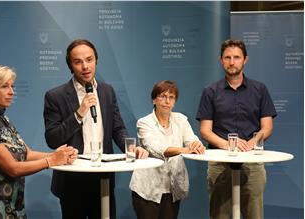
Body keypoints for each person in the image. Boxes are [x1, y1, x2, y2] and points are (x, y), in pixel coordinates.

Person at [43, 39, 148, 219]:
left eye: (89, 59)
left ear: (96, 61)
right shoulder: (55, 96)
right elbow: (53, 139)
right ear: (70, 66)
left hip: (102, 176)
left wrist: (130, 147)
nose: (85, 66)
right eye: (78, 62)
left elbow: (117, 127)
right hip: (72, 177)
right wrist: (79, 113)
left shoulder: (107, 91)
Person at [0, 64, 78, 219]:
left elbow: (27, 153)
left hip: (11, 206)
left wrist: (59, 156)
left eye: (12, 86)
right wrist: (51, 160)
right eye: (4, 87)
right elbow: (13, 168)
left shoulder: (2, 119)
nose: (11, 92)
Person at [196, 39, 277, 219]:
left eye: (236, 57)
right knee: (220, 215)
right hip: (219, 162)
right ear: (221, 60)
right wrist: (229, 144)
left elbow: (267, 126)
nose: (232, 62)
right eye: (228, 57)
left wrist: (251, 143)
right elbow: (205, 131)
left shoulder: (259, 89)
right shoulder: (210, 91)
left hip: (252, 162)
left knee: (254, 215)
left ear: (245, 60)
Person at [129, 80, 205, 219]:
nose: (167, 101)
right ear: (154, 99)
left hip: (172, 188)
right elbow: (156, 148)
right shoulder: (144, 122)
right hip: (147, 189)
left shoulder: (181, 120)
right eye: (162, 96)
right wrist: (183, 150)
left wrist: (196, 145)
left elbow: (192, 139)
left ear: (174, 102)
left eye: (171, 97)